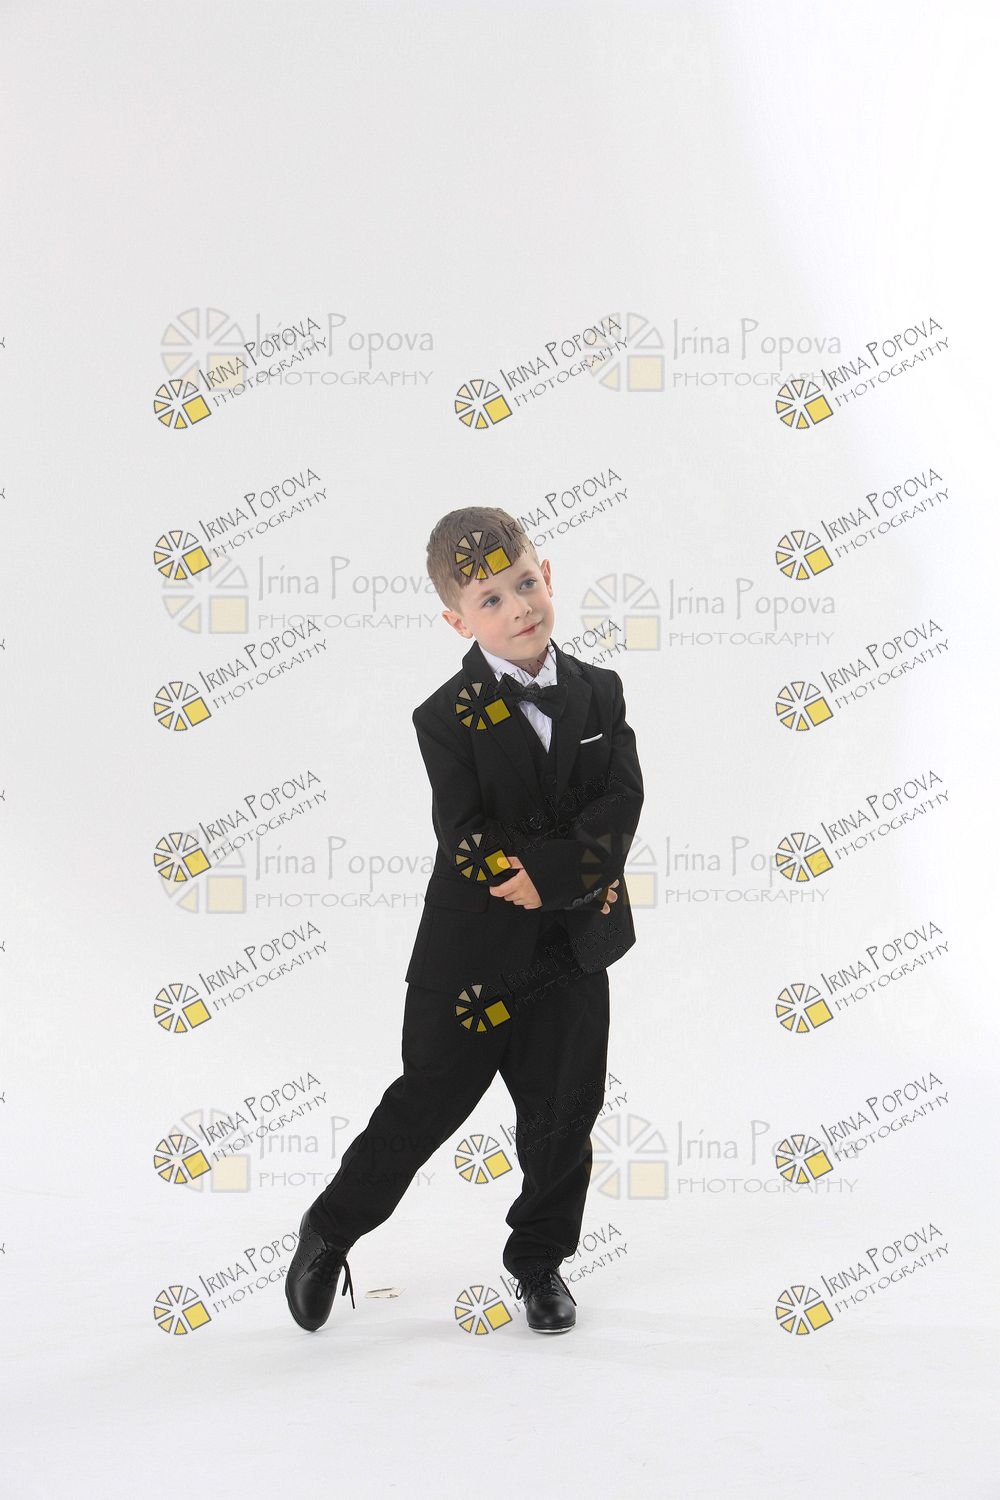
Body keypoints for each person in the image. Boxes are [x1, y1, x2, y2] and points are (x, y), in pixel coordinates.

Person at [285, 506, 644, 1334]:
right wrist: (528, 878)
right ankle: (331, 1227)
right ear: (458, 619)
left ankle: (540, 1263)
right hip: (473, 951)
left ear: (547, 576)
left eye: (526, 584)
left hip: (570, 945)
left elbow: (619, 802)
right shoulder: (445, 716)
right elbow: (465, 831)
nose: (518, 607)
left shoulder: (600, 691)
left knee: (564, 1112)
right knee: (430, 1098)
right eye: (491, 599)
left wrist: (564, 880)